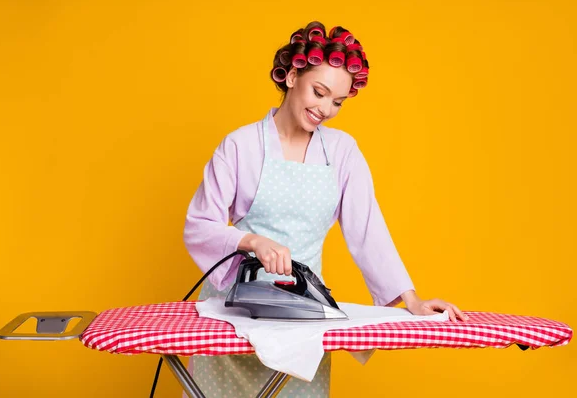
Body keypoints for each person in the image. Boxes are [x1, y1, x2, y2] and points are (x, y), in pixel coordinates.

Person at [183, 21, 467, 398]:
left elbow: (368, 232)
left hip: (303, 322)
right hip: (234, 323)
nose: (325, 110)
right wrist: (252, 241)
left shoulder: (342, 153)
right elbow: (200, 224)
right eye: (319, 92)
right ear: (292, 75)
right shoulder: (240, 146)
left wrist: (410, 299)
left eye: (337, 102)